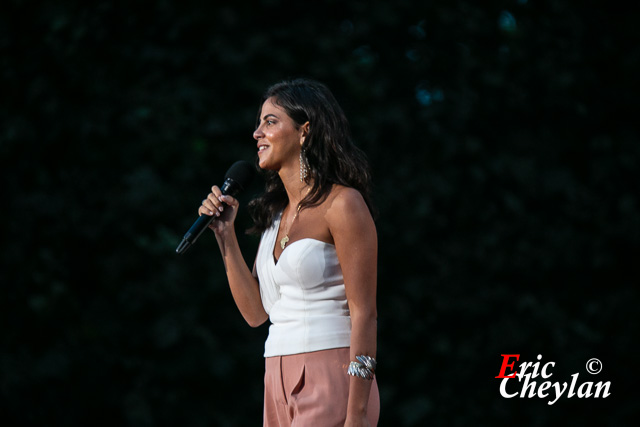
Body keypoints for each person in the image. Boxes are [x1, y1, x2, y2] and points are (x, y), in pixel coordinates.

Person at [198, 78, 379, 426]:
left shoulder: (342, 204)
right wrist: (225, 235)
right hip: (275, 378)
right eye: (258, 123)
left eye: (270, 121)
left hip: (331, 373)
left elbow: (364, 313)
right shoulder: (274, 216)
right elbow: (255, 313)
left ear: (304, 131)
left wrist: (357, 412)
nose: (257, 134)